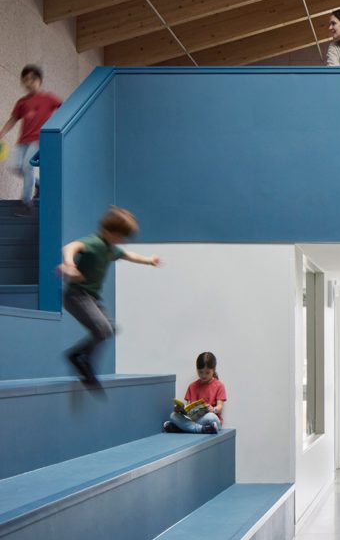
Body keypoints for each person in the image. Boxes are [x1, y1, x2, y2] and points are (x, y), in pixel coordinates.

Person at [60, 206, 161, 389]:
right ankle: (80, 358)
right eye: (120, 236)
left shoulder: (109, 248)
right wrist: (69, 262)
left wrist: (149, 261)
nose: (121, 241)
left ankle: (80, 355)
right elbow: (71, 246)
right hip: (76, 296)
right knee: (103, 328)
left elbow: (130, 255)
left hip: (91, 298)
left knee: (111, 328)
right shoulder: (95, 242)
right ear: (107, 230)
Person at [0, 65, 62, 213]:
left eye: (33, 79)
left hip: (39, 141)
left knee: (28, 167)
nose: (29, 82)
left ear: (40, 80)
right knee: (15, 167)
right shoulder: (22, 102)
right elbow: (13, 119)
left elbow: (67, 109)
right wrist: (2, 132)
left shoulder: (49, 99)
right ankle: (40, 185)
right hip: (23, 141)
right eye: (26, 79)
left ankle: (26, 204)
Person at [164, 351, 226, 435]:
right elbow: (188, 408)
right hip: (195, 420)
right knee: (173, 415)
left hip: (209, 420)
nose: (203, 375)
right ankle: (201, 429)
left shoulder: (219, 385)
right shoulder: (192, 386)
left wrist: (213, 409)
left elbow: (220, 407)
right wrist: (180, 410)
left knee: (211, 417)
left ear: (213, 370)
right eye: (200, 372)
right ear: (197, 370)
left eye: (207, 373)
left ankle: (184, 428)